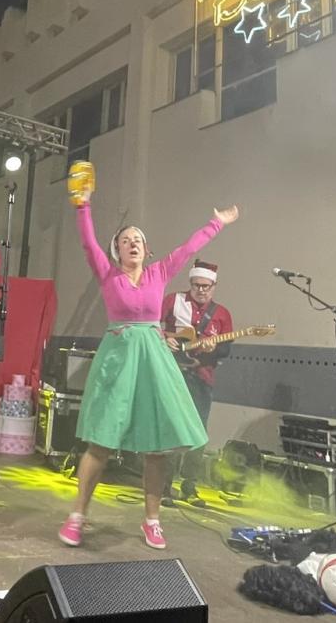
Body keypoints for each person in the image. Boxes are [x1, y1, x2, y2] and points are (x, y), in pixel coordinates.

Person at [57, 161, 239, 550]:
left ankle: (152, 520)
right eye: (125, 240)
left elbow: (189, 249)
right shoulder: (108, 274)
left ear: (146, 248)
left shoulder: (159, 273)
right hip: (119, 358)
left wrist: (216, 223)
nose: (133, 242)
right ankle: (77, 516)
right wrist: (83, 205)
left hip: (154, 361)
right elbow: (88, 242)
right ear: (117, 250)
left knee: (156, 447)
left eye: (138, 238)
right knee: (100, 442)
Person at [160, 260, 233, 507]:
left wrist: (215, 348)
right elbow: (150, 324)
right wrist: (164, 338)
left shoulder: (222, 314)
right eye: (196, 285)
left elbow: (226, 350)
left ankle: (189, 486)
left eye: (206, 286)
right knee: (172, 430)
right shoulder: (174, 301)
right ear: (190, 283)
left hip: (202, 378)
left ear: (214, 286)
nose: (201, 290)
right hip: (173, 374)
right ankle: (164, 486)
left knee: (198, 433)